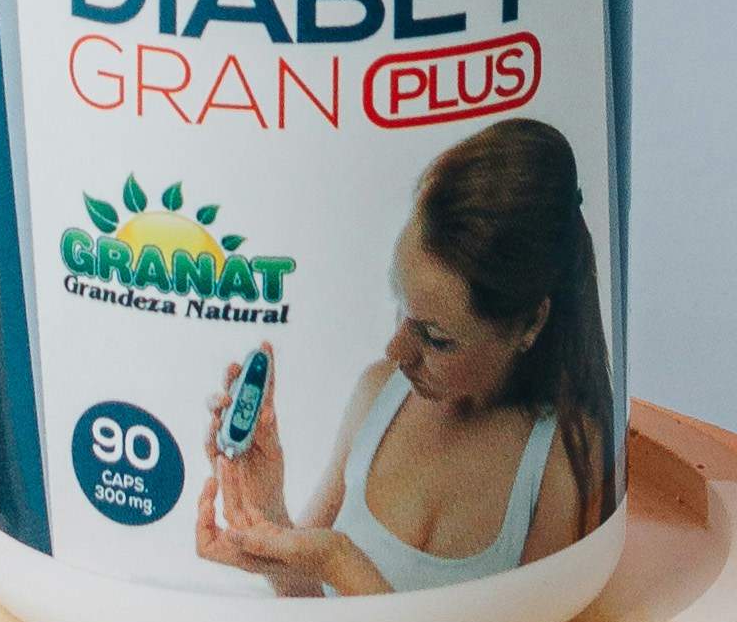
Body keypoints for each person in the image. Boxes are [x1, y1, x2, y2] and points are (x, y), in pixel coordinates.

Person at [196, 119, 616, 597]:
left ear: (529, 326)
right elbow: (310, 610)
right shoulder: (379, 396)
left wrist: (340, 562)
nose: (395, 352)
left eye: (435, 338)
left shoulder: (562, 458)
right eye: (400, 302)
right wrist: (267, 511)